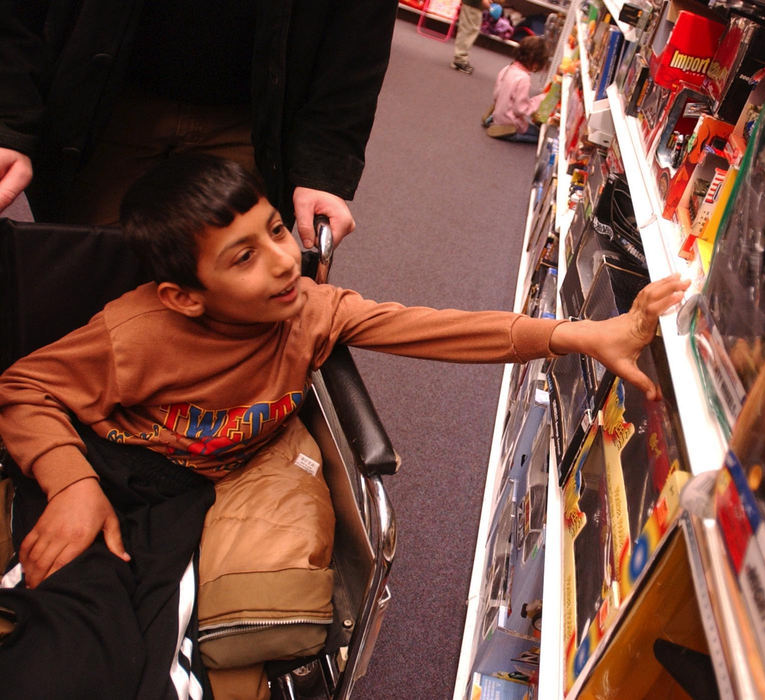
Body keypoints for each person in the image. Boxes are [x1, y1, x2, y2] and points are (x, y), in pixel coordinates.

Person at [0, 154, 690, 698]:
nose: (280, 261)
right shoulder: (134, 334)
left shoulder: (311, 311)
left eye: (275, 230)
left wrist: (581, 335)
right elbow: (24, 386)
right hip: (107, 468)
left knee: (147, 655)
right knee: (70, 657)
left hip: (189, 493)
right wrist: (70, 485)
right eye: (241, 257)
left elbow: (431, 328)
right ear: (183, 296)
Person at [0, 0, 398, 249]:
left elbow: (358, 40)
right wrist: (10, 118)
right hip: (104, 101)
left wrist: (325, 171)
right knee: (86, 280)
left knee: (222, 306)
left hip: (254, 120)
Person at [486, 35, 550, 143]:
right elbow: (520, 109)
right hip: (512, 124)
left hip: (499, 115)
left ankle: (494, 121)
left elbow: (497, 94)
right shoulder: (524, 79)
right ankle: (509, 133)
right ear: (535, 63)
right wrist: (540, 99)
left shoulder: (508, 68)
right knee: (541, 137)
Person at [452, 0, 490, 74]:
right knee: (468, 30)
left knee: (468, 29)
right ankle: (460, 60)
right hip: (474, 4)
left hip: (473, 4)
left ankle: (459, 59)